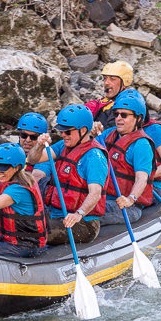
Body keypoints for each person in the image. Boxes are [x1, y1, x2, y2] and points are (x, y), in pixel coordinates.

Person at [27, 104, 108, 245]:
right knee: (20, 220)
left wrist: (78, 214)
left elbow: (95, 193)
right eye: (61, 131)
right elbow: (34, 159)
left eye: (67, 132)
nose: (63, 135)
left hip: (84, 223)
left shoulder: (94, 156)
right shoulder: (63, 146)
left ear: (83, 130)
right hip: (56, 213)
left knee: (32, 231)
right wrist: (39, 145)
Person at [96, 89, 154, 226]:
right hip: (103, 197)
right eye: (116, 114)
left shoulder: (141, 144)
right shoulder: (109, 133)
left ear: (138, 118)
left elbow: (141, 178)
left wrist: (130, 199)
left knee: (92, 213)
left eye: (124, 115)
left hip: (128, 207)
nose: (118, 118)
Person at [85, 60, 134, 129]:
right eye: (105, 78)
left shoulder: (126, 106)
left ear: (124, 83)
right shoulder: (103, 102)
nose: (106, 83)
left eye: (112, 79)